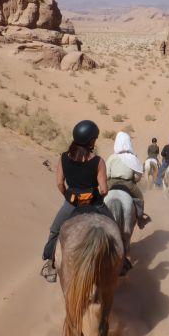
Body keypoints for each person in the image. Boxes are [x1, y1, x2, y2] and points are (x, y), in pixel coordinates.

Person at [41, 119, 109, 282]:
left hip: (71, 203)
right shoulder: (98, 161)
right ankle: (122, 262)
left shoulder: (64, 158)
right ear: (90, 140)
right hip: (94, 203)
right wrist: (99, 199)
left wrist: (69, 197)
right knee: (114, 229)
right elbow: (104, 190)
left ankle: (50, 262)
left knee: (55, 230)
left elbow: (59, 183)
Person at [106, 132, 151, 229]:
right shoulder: (132, 158)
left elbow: (107, 174)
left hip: (111, 183)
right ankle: (140, 219)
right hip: (128, 184)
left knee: (99, 198)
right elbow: (137, 177)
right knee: (140, 198)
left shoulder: (112, 157)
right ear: (128, 143)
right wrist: (134, 179)